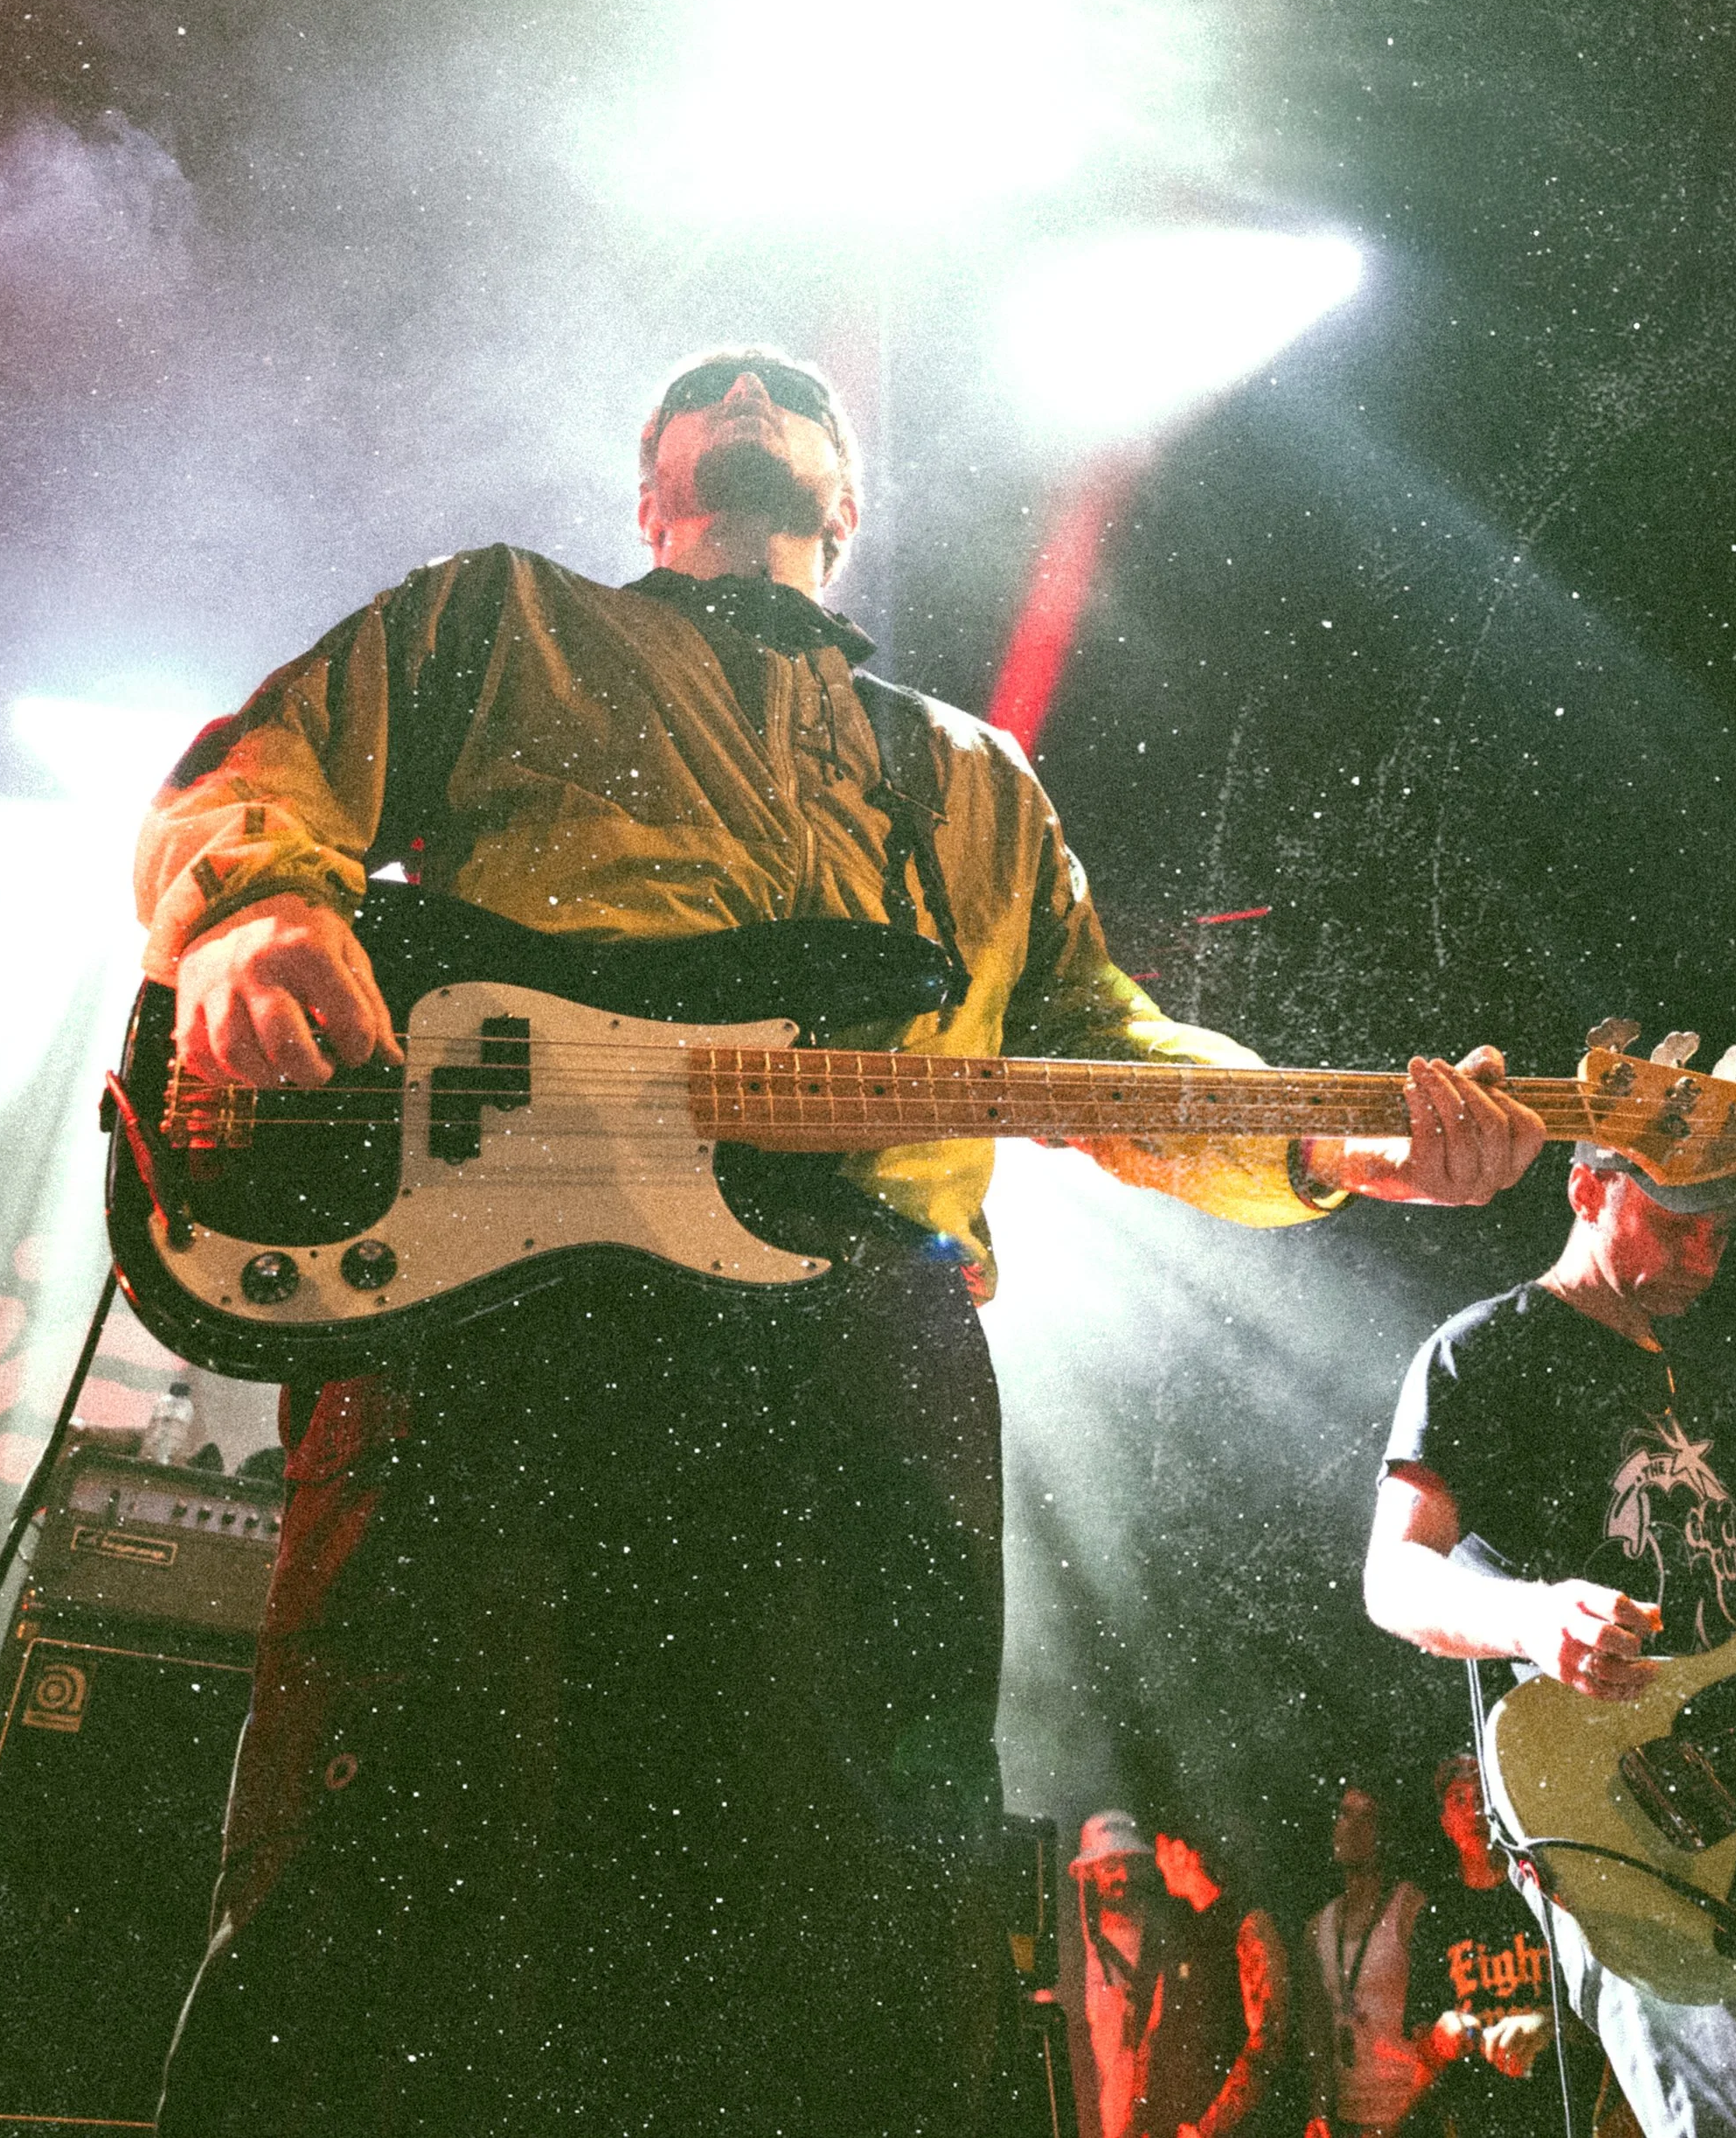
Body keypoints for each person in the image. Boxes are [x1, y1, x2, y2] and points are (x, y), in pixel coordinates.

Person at [136, 350, 1545, 2138]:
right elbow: (256, 770)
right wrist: (253, 904)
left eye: (794, 400)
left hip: (854, 1354)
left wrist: (1332, 1138)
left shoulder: (964, 773)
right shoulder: (497, 618)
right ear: (649, 489)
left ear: (844, 499)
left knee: (846, 1916)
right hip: (498, 1333)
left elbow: (1096, 1047)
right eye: (708, 400)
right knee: (399, 1849)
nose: (754, 399)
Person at [1363, 1141, 1736, 2138]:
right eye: (1674, 1222)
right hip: (1622, 1818)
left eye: (1719, 1232)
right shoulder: (1486, 1347)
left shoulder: (1708, 1380)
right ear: (1585, 1185)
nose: (1702, 1253)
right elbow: (1392, 1575)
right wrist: (1533, 1614)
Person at [1066, 1812, 1288, 2138]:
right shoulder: (1181, 1934)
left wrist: (1209, 2128)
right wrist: (1136, 2125)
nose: (1156, 1863)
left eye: (1161, 1850)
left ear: (1183, 1853)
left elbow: (1267, 2039)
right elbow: (1155, 2034)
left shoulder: (1246, 1925)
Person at [1398, 1753, 1559, 2136]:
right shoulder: (1437, 1916)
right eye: (1458, 1799)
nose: (1474, 1811)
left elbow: (1605, 2013)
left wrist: (1547, 2025)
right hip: (1476, 2119)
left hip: (1564, 2112)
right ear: (1445, 1823)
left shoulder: (1547, 1893)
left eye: (1483, 1797)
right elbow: (1420, 2032)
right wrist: (1441, 2035)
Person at [1298, 1782, 1427, 2138]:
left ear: (1386, 1832)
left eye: (1367, 1817)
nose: (1350, 1827)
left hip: (1408, 2115)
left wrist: (1402, 2121)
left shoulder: (1411, 1909)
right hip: (1347, 2118)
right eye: (1344, 1814)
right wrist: (1320, 2112)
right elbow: (1318, 2032)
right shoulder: (1317, 1926)